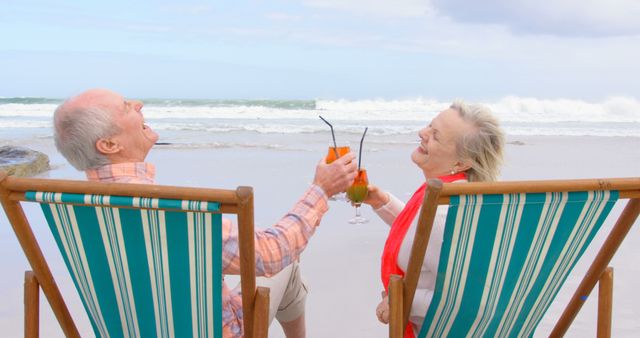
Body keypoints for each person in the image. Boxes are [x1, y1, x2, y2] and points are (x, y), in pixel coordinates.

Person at [52, 88, 358, 338]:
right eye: (126, 106)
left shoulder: (76, 210)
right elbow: (274, 251)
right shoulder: (167, 211)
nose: (139, 103)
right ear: (109, 144)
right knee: (285, 265)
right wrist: (322, 188)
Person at [364, 100, 505, 337]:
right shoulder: (461, 195)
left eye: (435, 135)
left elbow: (471, 304)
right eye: (430, 125)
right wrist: (383, 202)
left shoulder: (444, 216)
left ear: (460, 162)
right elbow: (422, 235)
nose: (422, 133)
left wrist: (401, 298)